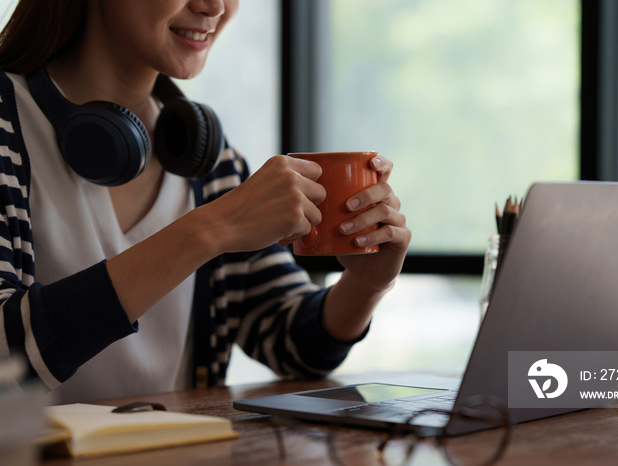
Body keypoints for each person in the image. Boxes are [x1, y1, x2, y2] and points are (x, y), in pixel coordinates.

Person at [0, 0, 410, 403]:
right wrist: (211, 230)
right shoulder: (9, 121)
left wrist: (365, 285)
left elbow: (292, 342)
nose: (214, 6)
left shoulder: (207, 158)